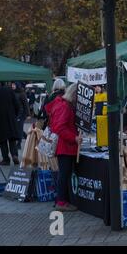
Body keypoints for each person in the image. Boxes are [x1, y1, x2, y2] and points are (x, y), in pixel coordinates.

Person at [45, 83, 81, 212]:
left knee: (64, 174)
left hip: (66, 145)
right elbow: (60, 127)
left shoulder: (63, 104)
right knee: (64, 174)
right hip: (65, 146)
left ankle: (61, 200)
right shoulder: (64, 106)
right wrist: (74, 138)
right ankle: (61, 201)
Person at [12, 82, 30, 149]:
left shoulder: (22, 94)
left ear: (17, 85)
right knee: (17, 128)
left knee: (19, 127)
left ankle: (19, 143)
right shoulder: (13, 93)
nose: (12, 86)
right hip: (15, 113)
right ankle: (25, 136)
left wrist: (28, 114)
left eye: (14, 85)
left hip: (21, 114)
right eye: (12, 85)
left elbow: (25, 104)